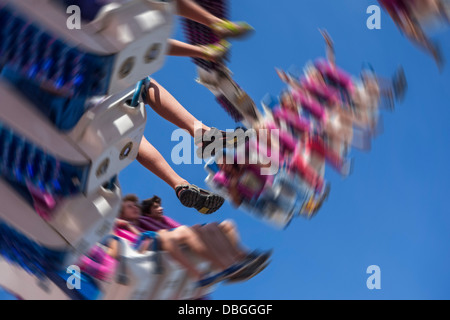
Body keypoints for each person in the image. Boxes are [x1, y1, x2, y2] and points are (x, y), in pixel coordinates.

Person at [114, 194, 271, 287]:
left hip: (163, 238)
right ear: (121, 212)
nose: (135, 208)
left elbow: (171, 229)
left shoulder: (143, 220)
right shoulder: (123, 225)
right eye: (129, 206)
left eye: (135, 205)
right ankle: (225, 268)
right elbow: (138, 240)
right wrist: (127, 224)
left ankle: (239, 258)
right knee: (183, 232)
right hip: (143, 246)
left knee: (214, 227)